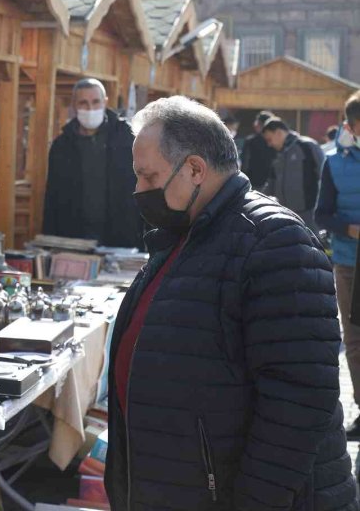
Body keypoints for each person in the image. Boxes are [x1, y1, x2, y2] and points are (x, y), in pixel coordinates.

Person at [107, 95, 357, 510]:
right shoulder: (188, 233)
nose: (139, 190)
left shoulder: (274, 242)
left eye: (148, 177)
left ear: (195, 169)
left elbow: (297, 405)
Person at [42, 78, 142, 247]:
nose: (90, 108)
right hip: (73, 238)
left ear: (105, 102)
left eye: (96, 102)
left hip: (122, 238)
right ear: (74, 105)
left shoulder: (128, 138)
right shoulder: (62, 145)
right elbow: (52, 197)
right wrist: (49, 241)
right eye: (83, 103)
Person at [317, 90, 360, 440]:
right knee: (355, 340)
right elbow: (322, 214)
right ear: (350, 126)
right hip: (349, 263)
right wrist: (348, 228)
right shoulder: (333, 163)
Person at [261, 117, 325, 231]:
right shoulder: (277, 155)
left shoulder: (307, 146)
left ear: (279, 133)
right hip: (285, 214)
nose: (269, 144)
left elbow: (324, 176)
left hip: (309, 214)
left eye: (269, 139)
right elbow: (271, 183)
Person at [240, 110, 276, 188]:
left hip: (254, 184)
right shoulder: (275, 141)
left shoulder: (250, 141)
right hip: (271, 184)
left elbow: (245, 165)